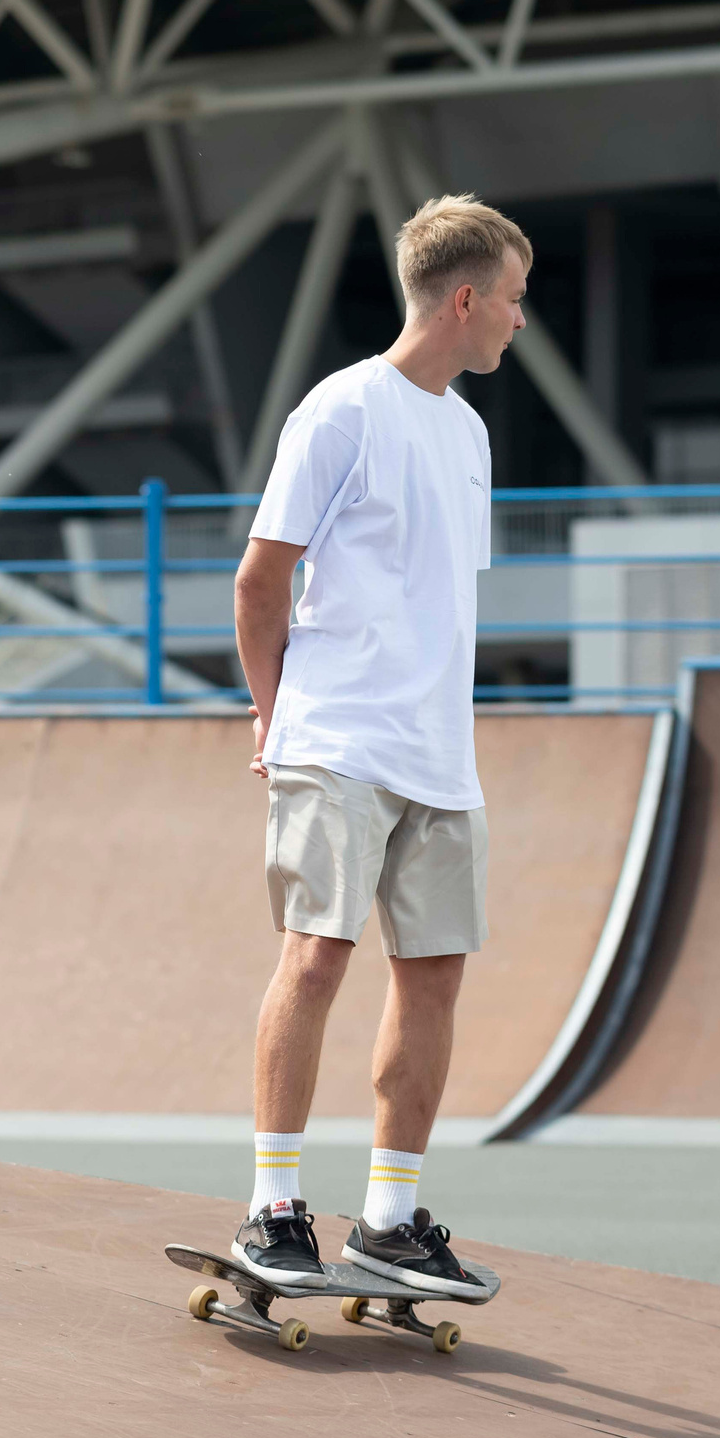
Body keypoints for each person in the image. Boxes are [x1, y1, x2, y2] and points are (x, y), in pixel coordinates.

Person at [223, 194, 525, 1305]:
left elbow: (437, 601)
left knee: (433, 975)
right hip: (338, 735)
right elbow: (260, 581)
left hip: (439, 753)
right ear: (462, 299)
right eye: (510, 299)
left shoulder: (467, 430)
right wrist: (272, 715)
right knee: (316, 954)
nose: (518, 321)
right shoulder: (341, 409)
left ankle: (390, 1221)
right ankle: (273, 1204)